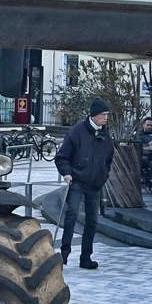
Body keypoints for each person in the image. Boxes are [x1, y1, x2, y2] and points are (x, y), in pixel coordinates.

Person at [53, 98, 115, 270]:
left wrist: (104, 174)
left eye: (107, 115)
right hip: (77, 180)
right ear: (94, 116)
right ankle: (63, 255)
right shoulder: (77, 131)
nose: (106, 118)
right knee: (71, 215)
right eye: (103, 115)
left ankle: (86, 257)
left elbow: (109, 156)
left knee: (92, 220)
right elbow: (62, 156)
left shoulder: (104, 132)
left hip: (95, 182)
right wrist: (66, 173)